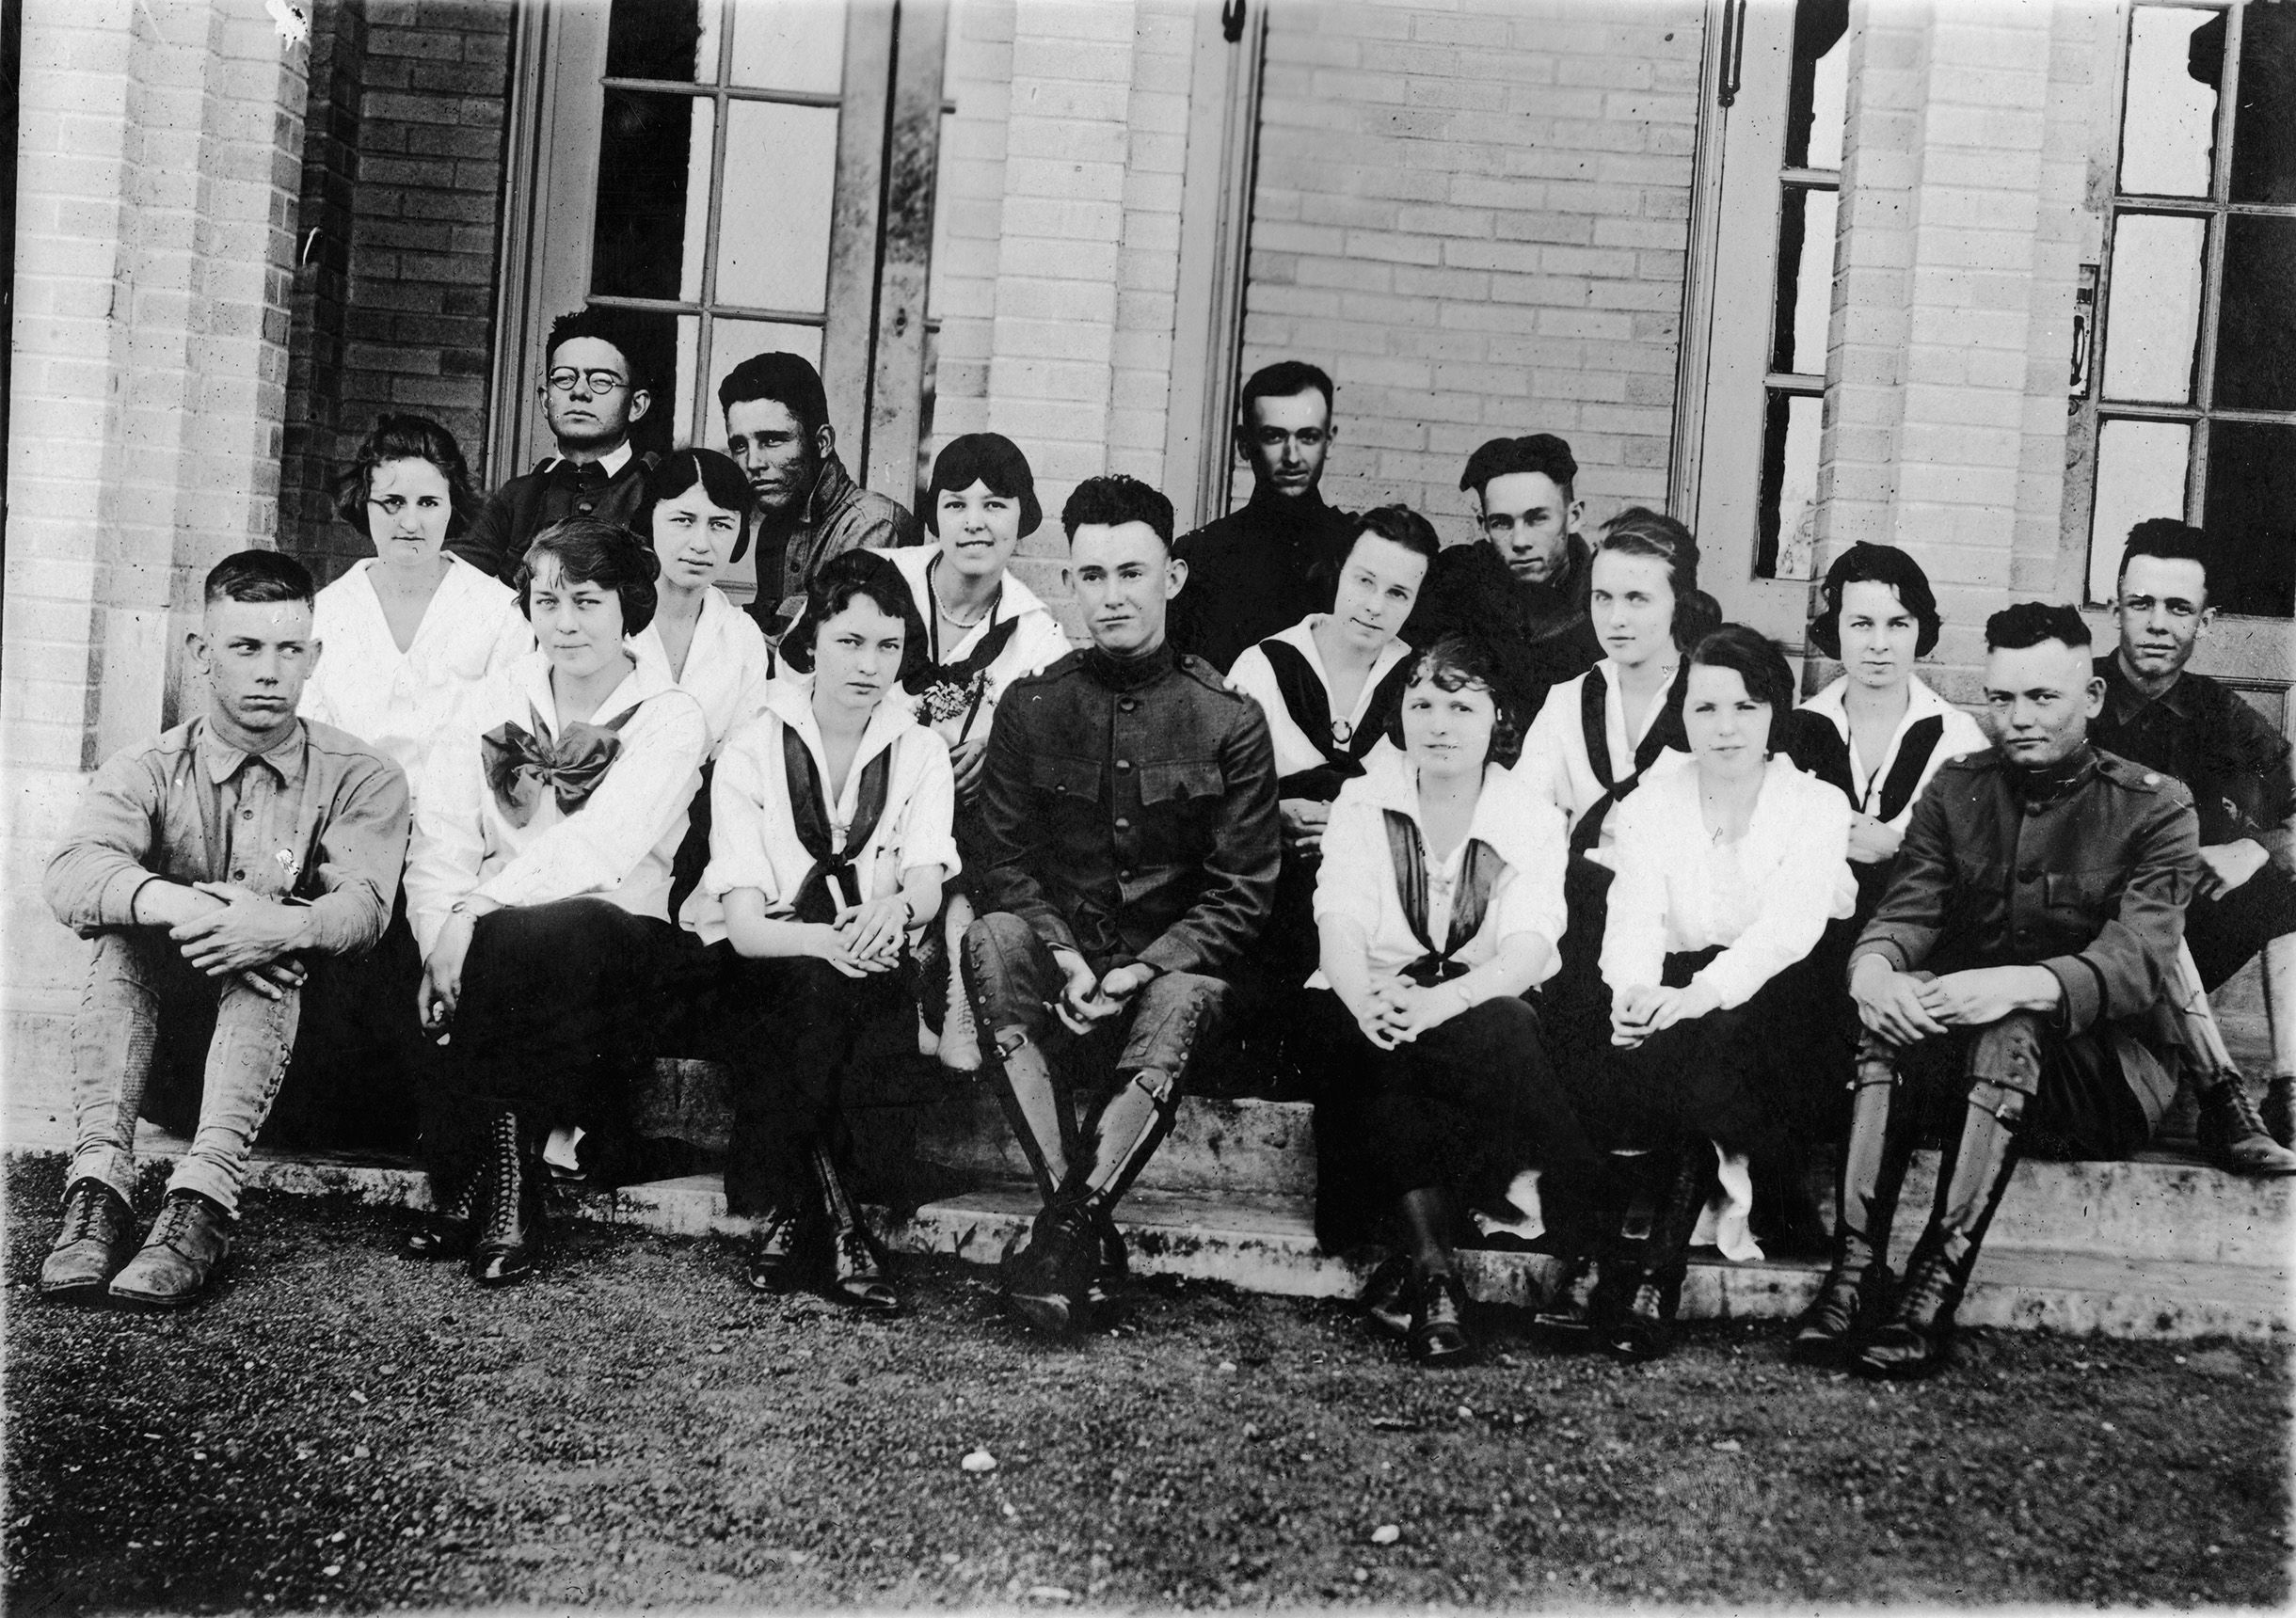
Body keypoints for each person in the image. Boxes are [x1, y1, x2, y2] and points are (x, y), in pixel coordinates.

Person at [1797, 603, 2203, 1379]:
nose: (2017, 718)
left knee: (2009, 1021)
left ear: (2090, 700)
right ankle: (1852, 1278)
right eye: (2003, 698)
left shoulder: (2156, 805)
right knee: (1894, 1013)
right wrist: (1873, 971)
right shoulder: (1958, 789)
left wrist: (2019, 984)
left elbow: (2137, 960)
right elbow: (1908, 908)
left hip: (2103, 1080)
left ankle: (1929, 1295)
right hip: (1985, 1077)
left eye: (2042, 698)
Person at [40, 551, 410, 1309]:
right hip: (174, 1068)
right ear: (203, 655)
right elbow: (72, 873)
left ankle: (202, 1204)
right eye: (246, 648)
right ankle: (98, 1187)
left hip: (305, 1067)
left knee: (270, 947)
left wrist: (274, 926)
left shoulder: (361, 773)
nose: (270, 671)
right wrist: (185, 907)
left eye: (288, 649)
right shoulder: (145, 766)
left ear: (314, 657)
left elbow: (366, 907)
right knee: (125, 927)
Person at [960, 473, 1281, 1336]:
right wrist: (1064, 955)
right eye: (1092, 575)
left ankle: (1060, 1234)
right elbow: (1004, 859)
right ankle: (1082, 1230)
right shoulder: (1034, 706)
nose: (1112, 596)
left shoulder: (1230, 720)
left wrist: (1143, 966)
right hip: (1062, 977)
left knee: (1189, 992)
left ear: (1171, 577)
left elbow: (1242, 891)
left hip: (1167, 992)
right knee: (991, 938)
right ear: (1071, 582)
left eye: (1132, 573)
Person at [401, 518, 709, 1285]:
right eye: (546, 602)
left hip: (622, 945)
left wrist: (472, 919)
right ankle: (510, 1187)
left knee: (550, 930)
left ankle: (485, 1185)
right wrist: (440, 938)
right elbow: (439, 839)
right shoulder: (491, 701)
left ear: (628, 606)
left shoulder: (671, 715)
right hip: (498, 950)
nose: (564, 624)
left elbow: (598, 851)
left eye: (587, 602)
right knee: (483, 946)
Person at [1298, 634, 1598, 1365]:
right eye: (1422, 702)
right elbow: (1337, 920)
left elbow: (1528, 947)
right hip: (1372, 995)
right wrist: (1367, 997)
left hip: (1473, 1007)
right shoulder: (1366, 801)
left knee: (1509, 1026)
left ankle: (1430, 1267)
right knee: (1365, 1041)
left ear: (1499, 717)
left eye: (1461, 706)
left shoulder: (1528, 813)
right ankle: (1437, 1272)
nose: (1438, 723)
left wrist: (1444, 1001)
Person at [692, 549, 958, 1313]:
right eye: (850, 642)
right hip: (763, 961)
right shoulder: (752, 746)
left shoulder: (919, 748)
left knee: (844, 996)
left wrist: (894, 910)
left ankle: (791, 1215)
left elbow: (926, 876)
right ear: (813, 639)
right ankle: (843, 1229)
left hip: (868, 957)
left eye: (889, 646)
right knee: (808, 988)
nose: (869, 665)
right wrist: (827, 943)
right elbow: (743, 927)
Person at [1591, 625, 1858, 1360]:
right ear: (1682, 715)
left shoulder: (1816, 804)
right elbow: (1635, 911)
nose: (1726, 727)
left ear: (1776, 713)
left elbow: (1789, 933)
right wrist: (1635, 991)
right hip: (1686, 999)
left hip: (1786, 1001)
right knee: (1659, 1038)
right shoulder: (1653, 800)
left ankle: (1650, 1271)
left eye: (1746, 707)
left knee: (1710, 1037)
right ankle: (1696, 1241)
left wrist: (1693, 998)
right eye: (1706, 709)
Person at [276, 415, 531, 1151]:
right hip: (352, 842)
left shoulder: (495, 612)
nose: (410, 522)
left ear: (454, 505)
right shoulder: (332, 610)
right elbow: (310, 744)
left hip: (459, 838)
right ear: (365, 505)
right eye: (391, 504)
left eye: (428, 502)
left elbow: (509, 750)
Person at [2087, 519, 2296, 1167]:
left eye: (2179, 608)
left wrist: (2257, 848)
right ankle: (2220, 1099)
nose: (2156, 622)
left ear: (2206, 623)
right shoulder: (2075, 694)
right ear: (2115, 607)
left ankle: (2287, 1093)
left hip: (2182, 947)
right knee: (2160, 876)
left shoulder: (2223, 717)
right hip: (2084, 936)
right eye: (2141, 603)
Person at [873, 433, 1074, 1070]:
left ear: (1023, 518)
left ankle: (958, 980)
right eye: (956, 504)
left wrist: (1001, 743)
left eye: (995, 505)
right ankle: (911, 988)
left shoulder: (1037, 633)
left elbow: (1055, 751)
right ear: (934, 515)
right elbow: (805, 678)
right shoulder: (882, 578)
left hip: (965, 825)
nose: (975, 524)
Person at [1516, 508, 1719, 1027]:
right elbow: (1522, 819)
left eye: (1637, 599)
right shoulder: (1568, 700)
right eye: (1602, 598)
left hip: (1679, 929)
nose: (1616, 618)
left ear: (1680, 603)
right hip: (1578, 919)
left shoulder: (1713, 700)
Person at [1226, 505, 1438, 990]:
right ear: (1338, 570)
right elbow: (1215, 799)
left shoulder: (1421, 686)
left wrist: (1354, 831)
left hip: (1374, 914)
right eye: (1364, 581)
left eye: (1397, 593)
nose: (1375, 606)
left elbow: (1438, 815)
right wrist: (1273, 814)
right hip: (1266, 900)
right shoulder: (1263, 667)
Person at [629, 448, 777, 917]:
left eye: (720, 524)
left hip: (687, 847)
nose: (700, 543)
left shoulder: (740, 638)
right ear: (649, 521)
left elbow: (738, 767)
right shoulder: (606, 615)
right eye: (682, 520)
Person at [1168, 360, 1358, 673]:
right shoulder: (1201, 556)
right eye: (1274, 436)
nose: (1293, 457)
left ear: (1330, 441)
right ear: (1244, 444)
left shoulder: (1356, 550)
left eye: (1308, 437)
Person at [719, 351, 919, 641]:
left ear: (822, 442)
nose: (752, 463)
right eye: (739, 445)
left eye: (772, 440)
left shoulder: (874, 525)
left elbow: (824, 649)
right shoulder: (775, 525)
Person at [1402, 433, 1602, 721]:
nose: (1520, 540)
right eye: (1502, 523)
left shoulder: (1607, 600)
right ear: (1483, 526)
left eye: (1537, 518)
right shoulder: (1455, 584)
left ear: (1573, 516)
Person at [450, 308, 660, 582]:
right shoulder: (518, 497)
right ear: (545, 401)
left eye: (601, 381)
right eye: (564, 378)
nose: (579, 392)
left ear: (636, 405)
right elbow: (456, 573)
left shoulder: (657, 490)